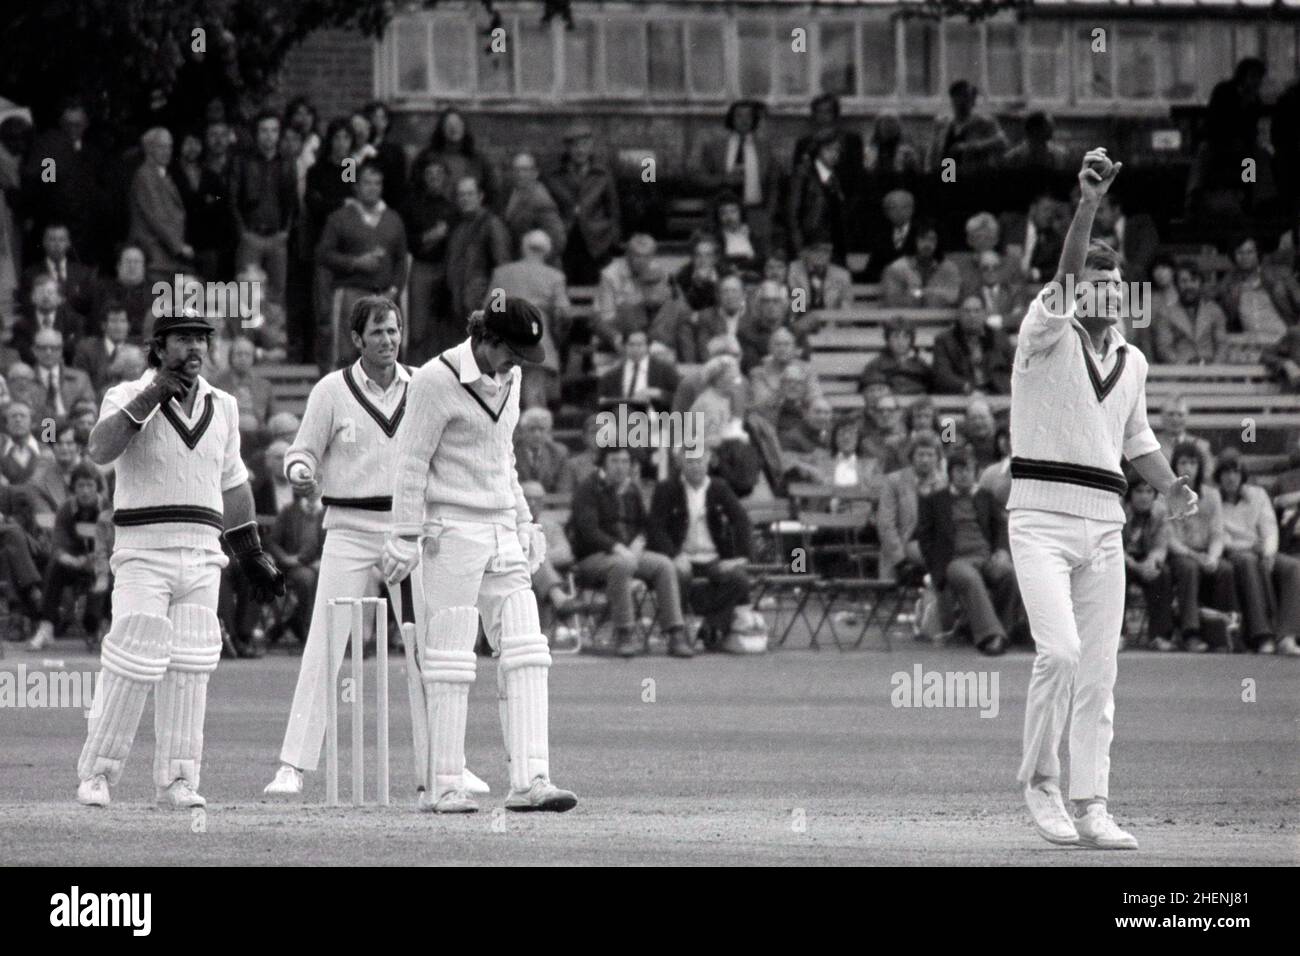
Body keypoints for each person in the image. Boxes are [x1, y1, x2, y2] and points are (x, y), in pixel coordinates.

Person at [1009, 148, 1197, 851]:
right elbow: (1063, 276)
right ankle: (1042, 786)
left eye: (1115, 281)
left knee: (1100, 673)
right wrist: (1087, 204)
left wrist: (1170, 484)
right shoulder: (1044, 331)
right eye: (1096, 278)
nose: (1107, 290)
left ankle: (1092, 805)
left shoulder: (1134, 360)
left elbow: (1137, 438)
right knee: (1057, 654)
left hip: (1104, 525)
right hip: (1039, 518)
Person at [264, 296, 489, 799]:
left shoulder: (426, 385)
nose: (388, 341)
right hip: (347, 527)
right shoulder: (331, 390)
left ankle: (445, 765)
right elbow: (302, 450)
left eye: (394, 331)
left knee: (427, 647)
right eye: (378, 332)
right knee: (326, 642)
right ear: (357, 339)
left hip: (408, 528)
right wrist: (299, 471)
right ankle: (293, 765)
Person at [75, 309, 285, 809]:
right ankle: (98, 774)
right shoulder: (126, 395)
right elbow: (100, 449)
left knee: (190, 667)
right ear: (159, 345)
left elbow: (233, 483)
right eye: (183, 339)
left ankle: (178, 779)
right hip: (143, 551)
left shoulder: (226, 406)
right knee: (132, 659)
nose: (194, 348)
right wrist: (153, 395)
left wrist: (250, 550)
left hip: (202, 553)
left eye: (200, 339)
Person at [383, 297, 578, 812]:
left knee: (527, 652)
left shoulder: (509, 381)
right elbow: (410, 461)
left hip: (499, 529)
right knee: (448, 657)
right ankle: (444, 783)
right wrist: (404, 535)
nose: (517, 365)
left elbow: (502, 459)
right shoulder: (433, 379)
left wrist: (522, 521)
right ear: (486, 339)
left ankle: (531, 780)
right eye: (512, 353)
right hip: (448, 528)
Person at [570, 445, 691, 658]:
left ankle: (675, 632)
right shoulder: (587, 489)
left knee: (664, 564)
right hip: (593, 557)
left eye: (625, 462)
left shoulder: (632, 489)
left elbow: (646, 524)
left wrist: (640, 541)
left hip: (629, 552)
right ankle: (624, 632)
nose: (620, 467)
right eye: (615, 462)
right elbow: (588, 531)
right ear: (604, 464)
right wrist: (616, 548)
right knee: (621, 564)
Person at [647, 446, 765, 653]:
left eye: (700, 460)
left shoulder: (720, 487)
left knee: (739, 579)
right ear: (680, 462)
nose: (695, 466)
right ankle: (679, 630)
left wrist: (742, 557)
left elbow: (741, 521)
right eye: (690, 461)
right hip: (681, 556)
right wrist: (674, 554)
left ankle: (711, 626)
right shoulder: (666, 489)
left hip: (713, 558)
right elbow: (656, 529)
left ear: (709, 461)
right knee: (679, 573)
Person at [914, 449, 1019, 655]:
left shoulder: (986, 497)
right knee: (969, 578)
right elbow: (925, 539)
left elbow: (1001, 529)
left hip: (986, 557)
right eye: (959, 470)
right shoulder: (934, 500)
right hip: (955, 560)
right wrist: (937, 567)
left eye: (968, 470)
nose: (963, 474)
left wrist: (1002, 552)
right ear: (951, 473)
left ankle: (1004, 631)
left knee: (1011, 575)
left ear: (975, 472)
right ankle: (991, 636)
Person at [315, 161, 409, 367]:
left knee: (382, 356)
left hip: (384, 296)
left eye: (377, 183)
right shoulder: (339, 218)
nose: (373, 187)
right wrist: (355, 262)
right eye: (367, 182)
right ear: (356, 186)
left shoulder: (393, 219)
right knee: (345, 354)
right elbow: (323, 254)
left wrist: (394, 290)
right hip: (350, 294)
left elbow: (401, 260)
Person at [1216, 457, 1300, 656]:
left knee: (1293, 567)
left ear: (1242, 475)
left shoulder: (1258, 494)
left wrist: (1269, 553)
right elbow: (1219, 535)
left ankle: (1286, 636)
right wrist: (1250, 547)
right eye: (1226, 473)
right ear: (1218, 476)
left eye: (1235, 472)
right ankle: (1262, 635)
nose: (1231, 477)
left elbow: (1269, 527)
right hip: (1232, 552)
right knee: (1248, 561)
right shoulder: (1213, 498)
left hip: (1262, 549)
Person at [486, 229, 570, 409]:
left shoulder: (502, 274)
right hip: (538, 341)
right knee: (534, 400)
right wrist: (558, 337)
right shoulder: (555, 277)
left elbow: (492, 309)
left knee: (502, 401)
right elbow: (563, 313)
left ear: (523, 248)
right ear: (546, 252)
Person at [25, 463, 105, 650]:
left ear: (97, 487)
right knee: (55, 566)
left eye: (89, 486)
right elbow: (58, 545)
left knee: (111, 579)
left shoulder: (107, 509)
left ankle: (103, 627)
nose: (85, 491)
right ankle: (46, 628)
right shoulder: (66, 509)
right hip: (75, 563)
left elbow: (113, 546)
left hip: (101, 566)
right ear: (73, 488)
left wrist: (97, 562)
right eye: (80, 486)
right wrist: (72, 560)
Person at [1165, 442, 1230, 653]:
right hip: (1180, 554)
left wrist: (1212, 556)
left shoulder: (1212, 495)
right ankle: (1190, 633)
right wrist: (1195, 556)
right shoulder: (1165, 494)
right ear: (1174, 465)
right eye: (1183, 462)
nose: (1188, 468)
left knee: (1225, 569)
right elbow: (1169, 539)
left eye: (1193, 462)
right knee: (1189, 568)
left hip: (1205, 551)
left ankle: (1221, 633)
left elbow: (1218, 533)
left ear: (1200, 466)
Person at [691, 100, 780, 253]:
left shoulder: (765, 147)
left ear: (754, 119)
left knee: (757, 258)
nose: (744, 120)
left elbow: (773, 184)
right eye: (739, 115)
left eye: (748, 116)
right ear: (731, 118)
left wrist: (768, 214)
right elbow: (699, 177)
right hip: (723, 216)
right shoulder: (716, 146)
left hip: (756, 215)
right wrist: (723, 179)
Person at [231, 111, 297, 307]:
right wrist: (242, 231)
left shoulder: (287, 162)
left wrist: (286, 231)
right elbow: (232, 199)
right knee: (247, 295)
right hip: (252, 236)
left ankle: (273, 336)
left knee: (277, 295)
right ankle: (247, 336)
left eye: (274, 131)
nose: (269, 135)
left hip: (277, 237)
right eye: (264, 130)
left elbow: (292, 201)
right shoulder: (242, 161)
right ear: (256, 133)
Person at [547, 123, 621, 285]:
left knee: (596, 290)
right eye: (575, 146)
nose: (580, 151)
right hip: (565, 243)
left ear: (591, 147)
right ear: (567, 148)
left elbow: (613, 210)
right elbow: (549, 211)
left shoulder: (602, 175)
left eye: (584, 145)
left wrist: (610, 241)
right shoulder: (555, 176)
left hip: (596, 244)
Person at [401, 155, 456, 365]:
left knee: (442, 328)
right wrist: (429, 237)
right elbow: (407, 238)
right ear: (423, 178)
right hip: (421, 267)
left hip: (446, 267)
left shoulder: (452, 207)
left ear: (445, 178)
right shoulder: (413, 205)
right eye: (430, 175)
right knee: (417, 329)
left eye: (438, 175)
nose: (434, 179)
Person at [445, 175, 512, 335]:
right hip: (462, 308)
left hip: (484, 307)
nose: (465, 198)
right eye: (461, 194)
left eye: (470, 194)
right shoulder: (459, 227)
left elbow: (503, 270)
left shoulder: (492, 226)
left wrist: (498, 310)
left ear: (480, 196)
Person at [876, 431, 945, 583]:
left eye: (930, 455)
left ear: (938, 458)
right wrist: (899, 558)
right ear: (911, 457)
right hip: (906, 541)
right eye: (920, 455)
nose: (925, 460)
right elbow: (886, 524)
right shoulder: (894, 481)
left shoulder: (945, 483)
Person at [128, 128, 193, 283]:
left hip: (166, 255)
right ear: (149, 148)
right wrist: (178, 246)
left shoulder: (161, 173)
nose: (167, 151)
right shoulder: (145, 175)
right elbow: (156, 216)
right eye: (161, 147)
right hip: (154, 254)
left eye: (169, 146)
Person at [1121, 475, 1176, 652]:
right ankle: (1117, 634)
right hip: (1121, 559)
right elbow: (1111, 545)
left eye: (1149, 491)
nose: (1144, 496)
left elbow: (1161, 546)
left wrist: (1152, 562)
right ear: (1130, 494)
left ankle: (1159, 636)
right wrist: (1135, 566)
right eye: (1138, 491)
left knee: (1163, 572)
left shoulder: (1160, 512)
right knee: (1117, 573)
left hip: (1146, 558)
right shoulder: (1118, 510)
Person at [593, 233, 673, 349]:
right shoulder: (609, 275)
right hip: (618, 328)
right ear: (628, 255)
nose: (642, 261)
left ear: (652, 256)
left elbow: (665, 307)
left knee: (674, 307)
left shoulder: (659, 272)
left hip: (650, 327)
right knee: (627, 308)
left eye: (647, 256)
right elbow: (607, 316)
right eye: (637, 256)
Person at [931, 296, 1014, 394]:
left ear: (984, 314)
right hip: (964, 395)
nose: (972, 315)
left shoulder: (999, 338)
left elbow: (1014, 368)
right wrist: (967, 388)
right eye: (967, 311)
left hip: (998, 392)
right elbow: (943, 375)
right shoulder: (945, 340)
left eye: (977, 311)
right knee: (979, 408)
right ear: (959, 314)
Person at [1152, 260, 1228, 365]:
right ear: (1176, 285)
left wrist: (1213, 369)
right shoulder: (1165, 313)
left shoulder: (1215, 310)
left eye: (1193, 280)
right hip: (1179, 373)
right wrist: (1185, 366)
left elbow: (1222, 344)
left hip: (1212, 372)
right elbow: (1164, 349)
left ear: (1200, 283)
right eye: (1184, 281)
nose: (1189, 286)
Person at [881, 221, 962, 308]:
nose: (927, 244)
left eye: (932, 239)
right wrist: (929, 292)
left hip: (939, 320)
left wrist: (920, 292)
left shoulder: (949, 268)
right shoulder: (897, 268)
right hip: (907, 319)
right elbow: (893, 300)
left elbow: (954, 297)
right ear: (913, 240)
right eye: (922, 239)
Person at [502, 152, 566, 260]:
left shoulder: (541, 201)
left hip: (536, 267)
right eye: (516, 170)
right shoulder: (511, 193)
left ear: (535, 173)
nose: (520, 174)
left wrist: (536, 261)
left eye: (525, 170)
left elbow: (559, 241)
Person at [597, 329, 679, 412]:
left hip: (655, 419)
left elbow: (681, 398)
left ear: (648, 346)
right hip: (619, 418)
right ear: (625, 346)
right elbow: (600, 401)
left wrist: (659, 394)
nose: (635, 349)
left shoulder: (664, 370)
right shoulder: (611, 375)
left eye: (640, 345)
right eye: (631, 345)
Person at [73, 305, 133, 393]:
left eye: (123, 321)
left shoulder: (137, 352)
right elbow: (80, 384)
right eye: (113, 321)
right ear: (103, 325)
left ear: (129, 326)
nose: (118, 326)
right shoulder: (87, 350)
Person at [513, 407, 569, 493]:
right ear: (522, 432)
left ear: (549, 431)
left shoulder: (559, 453)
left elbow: (563, 487)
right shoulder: (511, 452)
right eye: (532, 429)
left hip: (550, 503)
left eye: (542, 429)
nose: (537, 435)